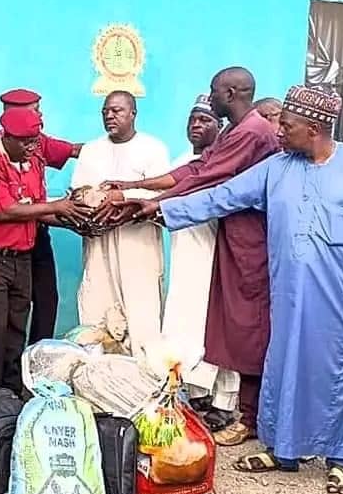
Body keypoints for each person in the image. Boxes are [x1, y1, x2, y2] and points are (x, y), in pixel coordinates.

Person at [153, 86, 343, 494]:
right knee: (283, 365)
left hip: (340, 297)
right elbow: (221, 197)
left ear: (314, 128)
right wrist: (160, 209)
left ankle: (342, 459)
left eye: (287, 125)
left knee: (338, 373)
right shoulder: (276, 167)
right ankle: (283, 450)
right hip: (286, 294)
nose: (277, 129)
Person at [100, 67, 279, 446]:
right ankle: (237, 409)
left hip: (251, 245)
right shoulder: (235, 130)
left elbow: (206, 179)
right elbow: (196, 168)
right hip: (230, 240)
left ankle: (250, 416)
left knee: (249, 328)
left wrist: (149, 205)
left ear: (230, 93)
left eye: (213, 93)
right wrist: (137, 188)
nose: (209, 99)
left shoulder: (253, 132)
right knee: (226, 325)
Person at [0, 108, 87, 394]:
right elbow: (5, 211)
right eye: (27, 142)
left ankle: (12, 388)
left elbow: (33, 208)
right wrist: (58, 207)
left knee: (17, 326)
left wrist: (74, 220)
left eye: (35, 141)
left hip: (22, 256)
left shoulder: (29, 161)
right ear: (8, 137)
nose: (33, 148)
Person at [71, 90, 170, 358]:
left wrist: (121, 200)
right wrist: (91, 204)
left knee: (141, 306)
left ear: (133, 114)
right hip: (99, 242)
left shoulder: (153, 148)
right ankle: (95, 374)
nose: (110, 116)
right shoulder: (91, 150)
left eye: (117, 111)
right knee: (97, 303)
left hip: (137, 242)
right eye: (105, 112)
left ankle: (144, 377)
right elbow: (78, 192)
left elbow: (160, 195)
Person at [162, 95, 240, 413]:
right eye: (192, 119)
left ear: (220, 127)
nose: (196, 125)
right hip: (185, 260)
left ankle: (224, 402)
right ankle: (197, 396)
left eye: (205, 120)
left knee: (218, 331)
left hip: (215, 260)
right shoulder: (180, 163)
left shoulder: (223, 164)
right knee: (185, 326)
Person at [0, 89, 81, 343]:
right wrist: (59, 211)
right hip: (8, 242)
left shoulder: (37, 140)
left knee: (46, 299)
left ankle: (38, 358)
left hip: (37, 234)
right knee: (11, 312)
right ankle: (6, 374)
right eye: (36, 109)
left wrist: (110, 149)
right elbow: (7, 210)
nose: (40, 114)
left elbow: (72, 150)